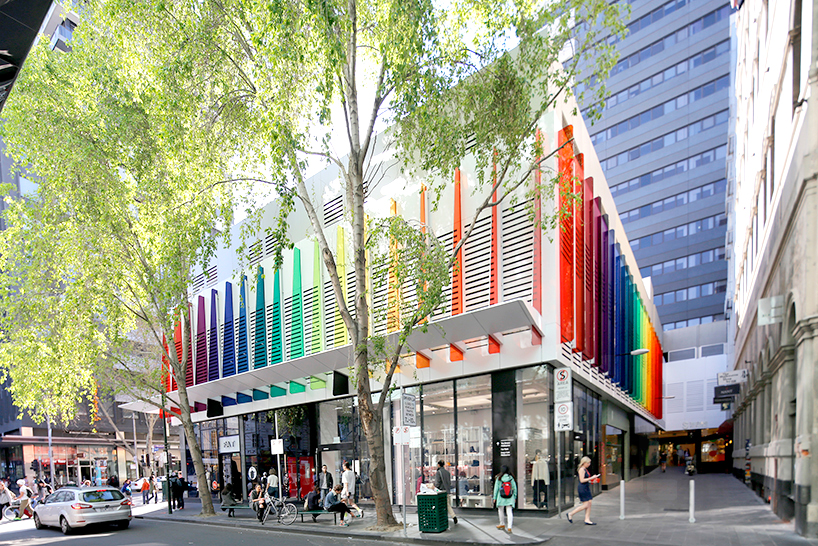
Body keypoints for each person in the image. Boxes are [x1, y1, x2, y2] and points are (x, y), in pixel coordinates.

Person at [565, 456, 599, 525]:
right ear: (584, 463)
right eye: (588, 463)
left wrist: (592, 481)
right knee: (586, 504)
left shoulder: (585, 469)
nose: (589, 464)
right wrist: (591, 478)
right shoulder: (581, 469)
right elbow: (582, 480)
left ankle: (587, 519)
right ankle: (570, 514)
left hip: (586, 487)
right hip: (583, 488)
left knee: (589, 503)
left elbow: (585, 480)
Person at [492, 465, 517, 534]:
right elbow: (514, 488)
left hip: (501, 497)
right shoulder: (511, 478)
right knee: (509, 512)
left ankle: (502, 524)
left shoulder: (499, 478)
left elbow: (496, 489)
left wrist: (494, 498)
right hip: (510, 497)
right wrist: (514, 497)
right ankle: (509, 527)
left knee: (501, 510)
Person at [433, 460, 457, 524]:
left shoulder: (438, 472)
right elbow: (449, 482)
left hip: (441, 491)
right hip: (447, 491)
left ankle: (453, 516)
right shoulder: (447, 472)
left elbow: (437, 483)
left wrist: (435, 488)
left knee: (444, 505)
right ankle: (447, 517)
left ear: (438, 465)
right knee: (447, 504)